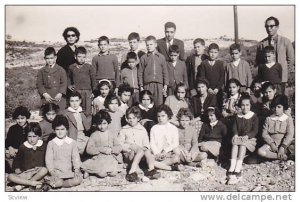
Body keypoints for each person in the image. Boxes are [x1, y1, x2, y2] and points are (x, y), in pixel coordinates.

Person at [118, 106, 160, 182]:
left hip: (141, 155)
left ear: (138, 118)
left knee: (146, 151)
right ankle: (132, 172)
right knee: (138, 150)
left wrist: (145, 147)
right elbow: (120, 143)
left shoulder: (142, 129)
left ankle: (151, 169)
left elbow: (146, 142)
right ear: (126, 118)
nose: (131, 120)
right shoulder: (124, 129)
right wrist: (129, 147)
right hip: (130, 153)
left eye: (134, 118)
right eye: (129, 118)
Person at [256, 16, 294, 95]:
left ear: (277, 27)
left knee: (280, 102)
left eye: (271, 26)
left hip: (281, 80)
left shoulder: (286, 42)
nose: (269, 28)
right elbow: (258, 61)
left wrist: (284, 73)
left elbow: (291, 59)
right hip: (266, 79)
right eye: (267, 26)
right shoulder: (261, 44)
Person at [226, 94, 259, 185]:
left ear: (250, 105)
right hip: (239, 137)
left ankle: (238, 167)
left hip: (250, 139)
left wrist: (247, 136)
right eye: (243, 105)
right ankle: (232, 166)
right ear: (240, 106)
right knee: (235, 143)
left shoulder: (253, 116)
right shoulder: (238, 116)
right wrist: (235, 134)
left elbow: (255, 130)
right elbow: (234, 128)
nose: (245, 107)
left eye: (247, 105)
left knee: (243, 144)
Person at [8, 122, 48, 191]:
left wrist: (43, 166)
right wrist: (17, 168)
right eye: (29, 136)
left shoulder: (44, 145)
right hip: (27, 172)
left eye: (34, 136)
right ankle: (31, 183)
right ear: (26, 136)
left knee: (45, 170)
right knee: (10, 176)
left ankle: (22, 185)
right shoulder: (23, 146)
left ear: (39, 136)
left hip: (39, 172)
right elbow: (17, 160)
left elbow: (47, 159)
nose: (32, 139)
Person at [81, 110, 122, 178]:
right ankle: (89, 171)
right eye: (99, 124)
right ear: (96, 124)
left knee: (113, 173)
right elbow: (89, 149)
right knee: (102, 174)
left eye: (104, 123)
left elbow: (119, 146)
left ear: (108, 123)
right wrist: (101, 149)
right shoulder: (94, 135)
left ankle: (92, 170)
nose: (102, 126)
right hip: (99, 158)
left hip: (110, 157)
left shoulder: (112, 134)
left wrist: (112, 149)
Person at [45, 115, 82, 189]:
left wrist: (77, 169)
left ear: (67, 129)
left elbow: (76, 158)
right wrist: (52, 172)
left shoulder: (72, 142)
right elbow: (48, 160)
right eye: (57, 129)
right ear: (54, 130)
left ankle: (61, 184)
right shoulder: (51, 143)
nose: (60, 132)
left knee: (78, 180)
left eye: (62, 129)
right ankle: (54, 182)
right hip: (56, 172)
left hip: (68, 172)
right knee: (58, 182)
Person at [257, 95, 294, 160]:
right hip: (271, 144)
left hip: (284, 144)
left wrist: (283, 146)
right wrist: (271, 144)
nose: (276, 109)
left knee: (294, 148)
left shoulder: (287, 119)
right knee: (260, 151)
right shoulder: (269, 118)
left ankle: (283, 154)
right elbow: (264, 133)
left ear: (284, 107)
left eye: (279, 107)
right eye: (275, 107)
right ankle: (280, 157)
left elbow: (290, 134)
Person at [138, 35, 169, 106]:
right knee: (148, 104)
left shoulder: (161, 57)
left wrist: (165, 84)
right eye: (147, 45)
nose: (149, 46)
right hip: (148, 85)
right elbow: (140, 72)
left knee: (159, 104)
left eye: (151, 44)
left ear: (155, 44)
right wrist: (141, 86)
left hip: (159, 85)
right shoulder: (143, 58)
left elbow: (165, 72)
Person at [150, 105, 181, 171]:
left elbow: (175, 143)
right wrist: (157, 153)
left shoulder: (173, 128)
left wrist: (165, 151)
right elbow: (152, 143)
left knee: (176, 156)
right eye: (158, 116)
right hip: (157, 154)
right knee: (149, 157)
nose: (160, 118)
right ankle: (169, 167)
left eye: (163, 116)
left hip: (168, 153)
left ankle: (158, 165)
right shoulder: (154, 128)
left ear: (168, 116)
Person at [67, 46, 96, 116]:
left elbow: (93, 80)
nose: (81, 59)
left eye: (83, 57)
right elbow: (68, 77)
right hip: (76, 91)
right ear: (75, 56)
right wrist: (69, 85)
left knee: (87, 110)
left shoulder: (89, 67)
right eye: (79, 56)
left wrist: (94, 91)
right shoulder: (71, 67)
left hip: (87, 91)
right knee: (77, 109)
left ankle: (88, 126)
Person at [197, 43, 226, 109]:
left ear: (218, 53)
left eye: (215, 52)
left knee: (218, 107)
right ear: (208, 52)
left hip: (217, 91)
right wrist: (208, 88)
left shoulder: (220, 64)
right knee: (208, 107)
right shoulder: (204, 63)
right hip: (207, 90)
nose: (213, 54)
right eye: (211, 52)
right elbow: (202, 77)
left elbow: (222, 77)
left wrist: (217, 88)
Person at [5, 106, 31, 173]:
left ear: (26, 117)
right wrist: (10, 147)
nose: (20, 121)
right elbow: (8, 141)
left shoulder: (30, 127)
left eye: (22, 118)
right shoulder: (12, 128)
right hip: (14, 151)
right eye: (17, 118)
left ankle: (19, 168)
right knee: (6, 154)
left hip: (26, 150)